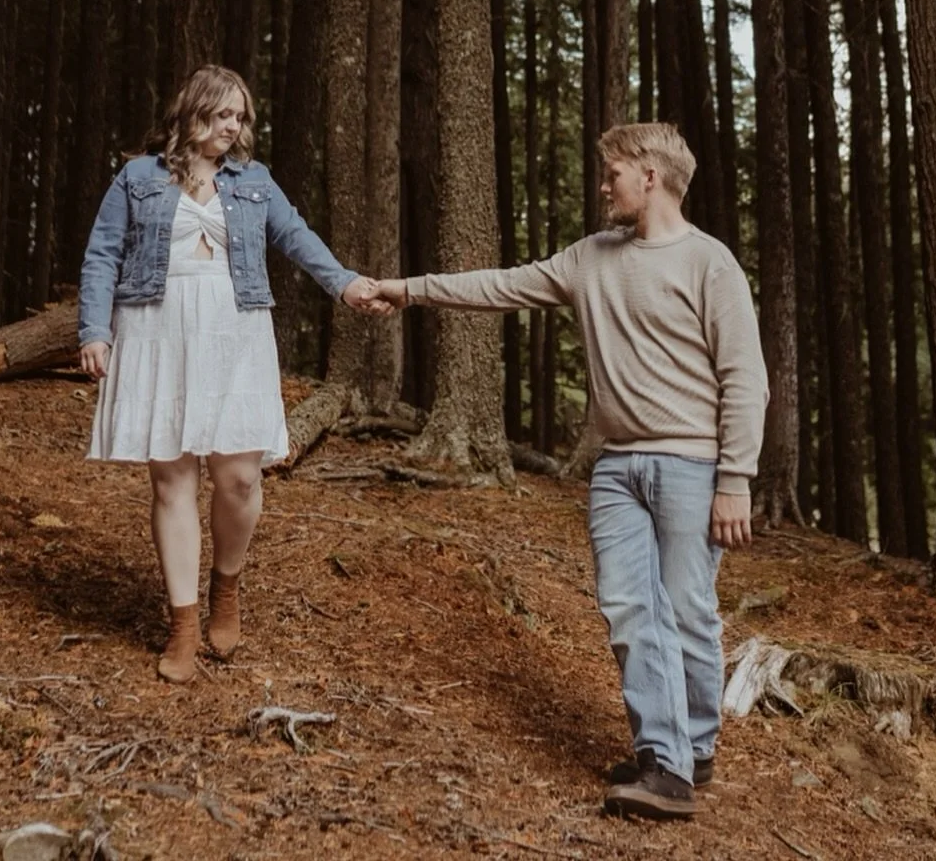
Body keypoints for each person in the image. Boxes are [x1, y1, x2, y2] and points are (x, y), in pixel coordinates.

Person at [375, 121, 768, 823]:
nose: (603, 184)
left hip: (692, 466)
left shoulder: (712, 265)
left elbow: (745, 379)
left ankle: (693, 746)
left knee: (688, 611)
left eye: (612, 171)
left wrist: (736, 477)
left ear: (650, 176)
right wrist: (408, 291)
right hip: (616, 470)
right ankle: (667, 763)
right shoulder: (590, 258)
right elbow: (501, 286)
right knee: (628, 609)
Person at [78, 62, 386, 683]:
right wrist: (94, 330)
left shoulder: (254, 182)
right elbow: (102, 253)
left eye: (240, 116)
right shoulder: (138, 177)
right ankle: (184, 625)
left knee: (240, 477)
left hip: (235, 329)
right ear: (193, 111)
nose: (234, 126)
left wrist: (346, 284)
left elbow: (296, 238)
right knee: (172, 480)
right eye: (224, 113)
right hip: (155, 328)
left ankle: (226, 585)